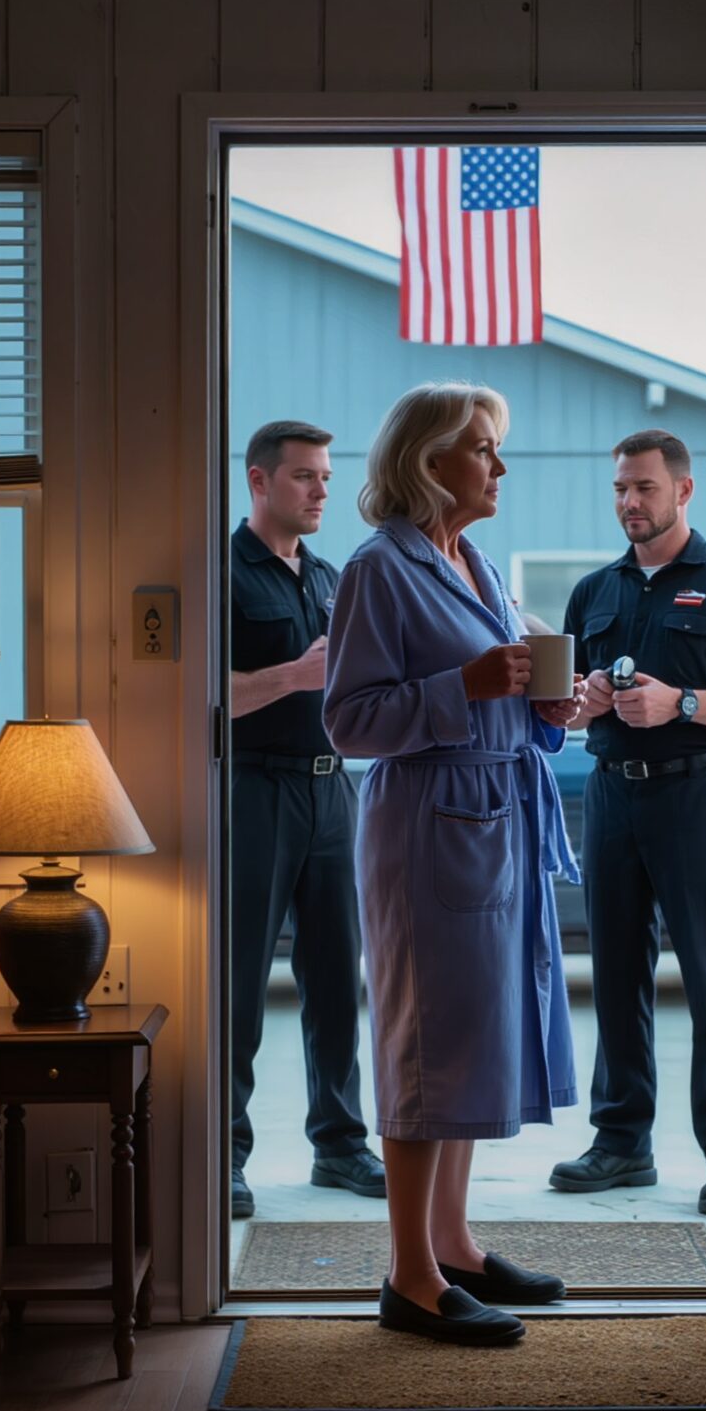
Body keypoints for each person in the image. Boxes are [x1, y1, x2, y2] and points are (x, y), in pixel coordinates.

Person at [323, 382, 585, 1346]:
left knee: (478, 1031)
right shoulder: (375, 571)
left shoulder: (473, 560)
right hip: (427, 831)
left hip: (496, 814)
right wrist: (462, 686)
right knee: (426, 1042)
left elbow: (495, 692)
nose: (500, 467)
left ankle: (458, 1244)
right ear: (431, 463)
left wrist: (546, 708)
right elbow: (350, 722)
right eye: (483, 450)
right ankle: (410, 1276)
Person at [551, 429, 706, 1216]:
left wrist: (685, 703)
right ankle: (620, 1144)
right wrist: (584, 703)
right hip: (611, 794)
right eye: (619, 490)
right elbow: (563, 704)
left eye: (643, 488)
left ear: (683, 490)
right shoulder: (594, 591)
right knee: (616, 975)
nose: (630, 504)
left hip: (695, 794)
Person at [228, 419, 383, 1222]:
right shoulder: (223, 570)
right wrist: (292, 675)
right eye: (305, 478)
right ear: (259, 481)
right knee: (241, 978)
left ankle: (341, 1144)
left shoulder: (330, 577)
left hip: (333, 792)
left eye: (326, 477)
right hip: (253, 791)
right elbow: (203, 700)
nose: (323, 490)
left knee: (335, 976)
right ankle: (225, 1153)